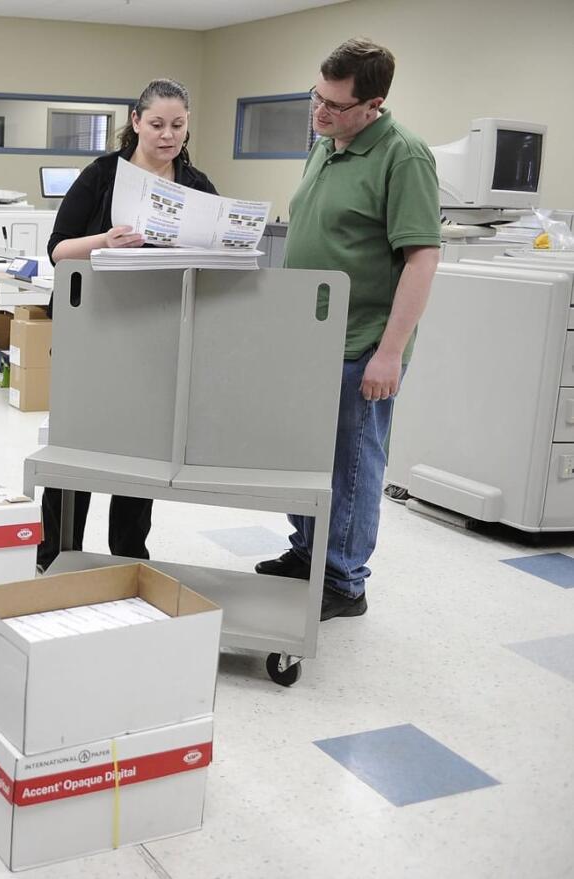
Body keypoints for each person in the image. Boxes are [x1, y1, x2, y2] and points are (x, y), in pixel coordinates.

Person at [255, 39, 440, 619]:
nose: (320, 112)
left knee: (351, 465)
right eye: (317, 97)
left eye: (335, 105)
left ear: (373, 104)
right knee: (304, 455)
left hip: (362, 344)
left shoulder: (403, 157)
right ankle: (308, 553)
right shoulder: (328, 145)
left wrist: (391, 352)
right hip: (310, 340)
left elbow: (421, 259)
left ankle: (342, 579)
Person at [38, 78, 218, 571]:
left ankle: (129, 555)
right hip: (90, 327)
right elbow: (58, 249)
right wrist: (105, 241)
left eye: (178, 125)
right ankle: (57, 551)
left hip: (157, 333)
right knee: (77, 444)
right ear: (135, 122)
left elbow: (217, 257)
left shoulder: (197, 186)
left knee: (141, 451)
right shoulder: (102, 175)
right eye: (157, 124)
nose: (168, 135)